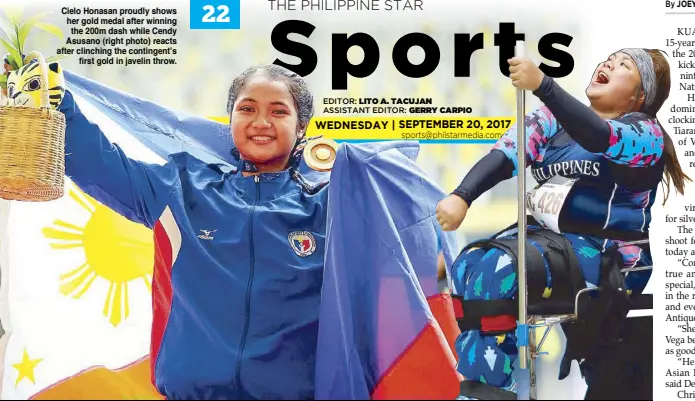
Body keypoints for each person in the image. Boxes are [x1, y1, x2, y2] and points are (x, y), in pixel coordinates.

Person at [1, 61, 451, 400]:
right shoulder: (180, 185)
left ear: (301, 128)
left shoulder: (334, 205)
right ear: (230, 118)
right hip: (190, 392)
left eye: (278, 111)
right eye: (247, 109)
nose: (260, 122)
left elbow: (406, 227)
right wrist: (62, 106)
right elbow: (102, 163)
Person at [435, 48, 689, 399]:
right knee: (467, 265)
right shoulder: (549, 121)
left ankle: (488, 391)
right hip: (551, 241)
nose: (608, 64)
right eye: (609, 59)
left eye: (624, 65)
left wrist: (543, 85)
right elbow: (507, 154)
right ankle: (484, 388)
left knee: (498, 271)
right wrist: (462, 196)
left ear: (639, 96)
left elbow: (599, 136)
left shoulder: (645, 134)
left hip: (608, 256)